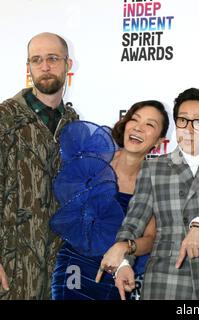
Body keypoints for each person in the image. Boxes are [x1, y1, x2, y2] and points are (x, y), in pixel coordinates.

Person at [104, 87, 199, 300]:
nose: (189, 129)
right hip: (165, 281)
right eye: (183, 120)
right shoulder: (153, 167)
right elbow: (134, 220)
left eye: (198, 122)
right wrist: (124, 262)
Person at [50, 100, 169, 300]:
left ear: (158, 141)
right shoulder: (95, 159)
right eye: (135, 119)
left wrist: (125, 247)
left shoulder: (155, 181)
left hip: (118, 273)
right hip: (75, 263)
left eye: (150, 125)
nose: (139, 128)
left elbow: (149, 240)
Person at [0, 32, 79, 299]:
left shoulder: (73, 124)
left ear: (68, 64)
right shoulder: (5, 117)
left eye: (53, 58)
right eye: (36, 60)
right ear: (29, 67)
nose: (44, 66)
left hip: (58, 262)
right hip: (11, 262)